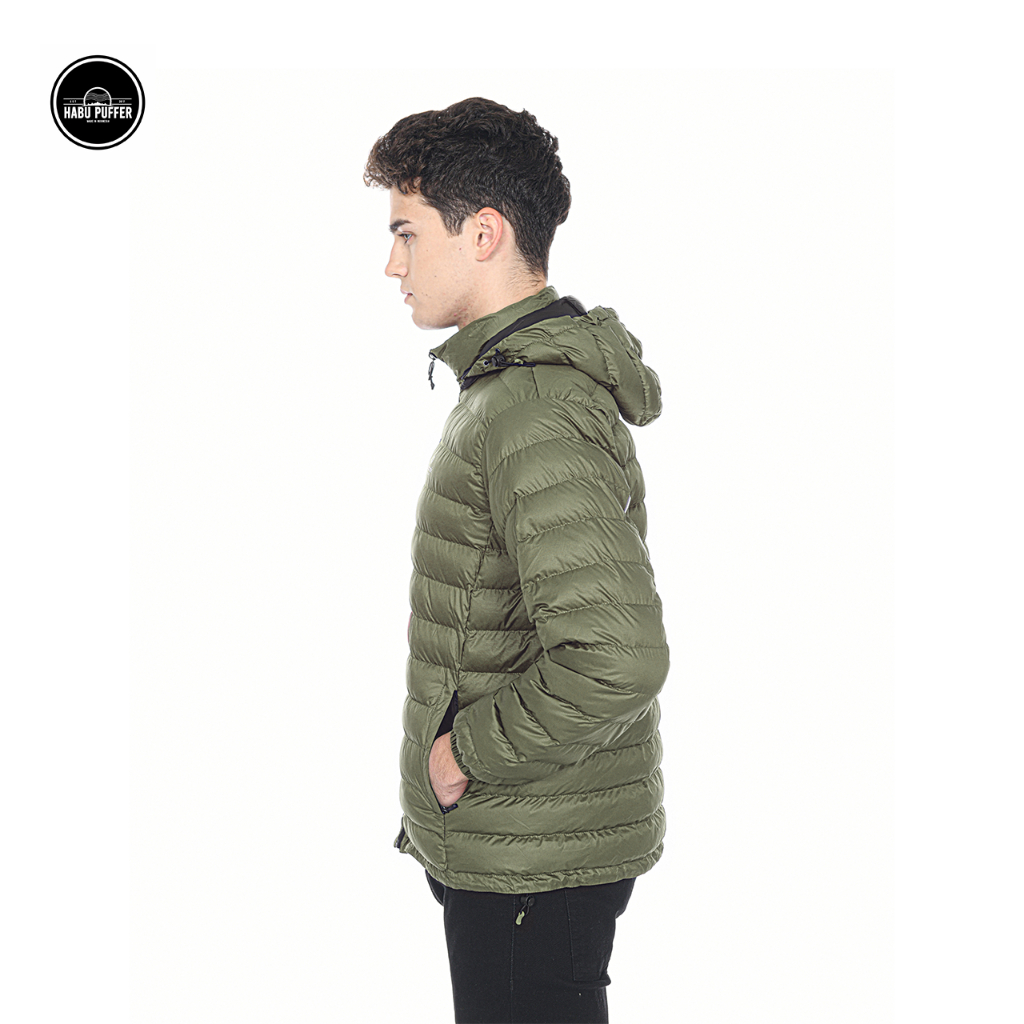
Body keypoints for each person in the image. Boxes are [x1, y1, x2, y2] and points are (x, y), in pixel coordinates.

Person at [364, 97, 669, 1024]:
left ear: (484, 232)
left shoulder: (531, 407)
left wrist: (464, 753)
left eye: (407, 234)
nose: (392, 264)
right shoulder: (510, 392)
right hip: (525, 849)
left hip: (534, 858)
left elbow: (616, 658)